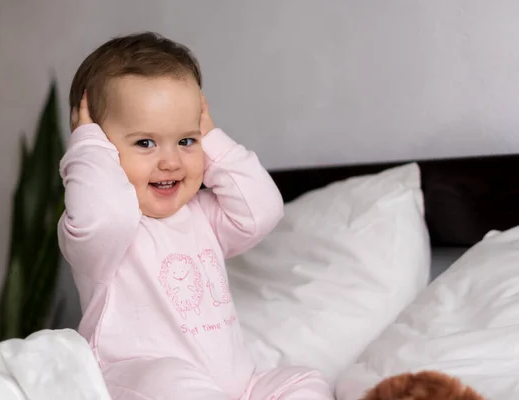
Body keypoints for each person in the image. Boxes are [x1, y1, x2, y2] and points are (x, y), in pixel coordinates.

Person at [58, 32, 334, 399]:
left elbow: (263, 211)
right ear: (99, 150)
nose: (171, 161)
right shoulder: (101, 235)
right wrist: (87, 143)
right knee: (174, 385)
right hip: (137, 381)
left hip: (235, 386)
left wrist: (211, 138)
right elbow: (104, 215)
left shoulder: (202, 215)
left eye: (186, 141)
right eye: (145, 143)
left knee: (304, 382)